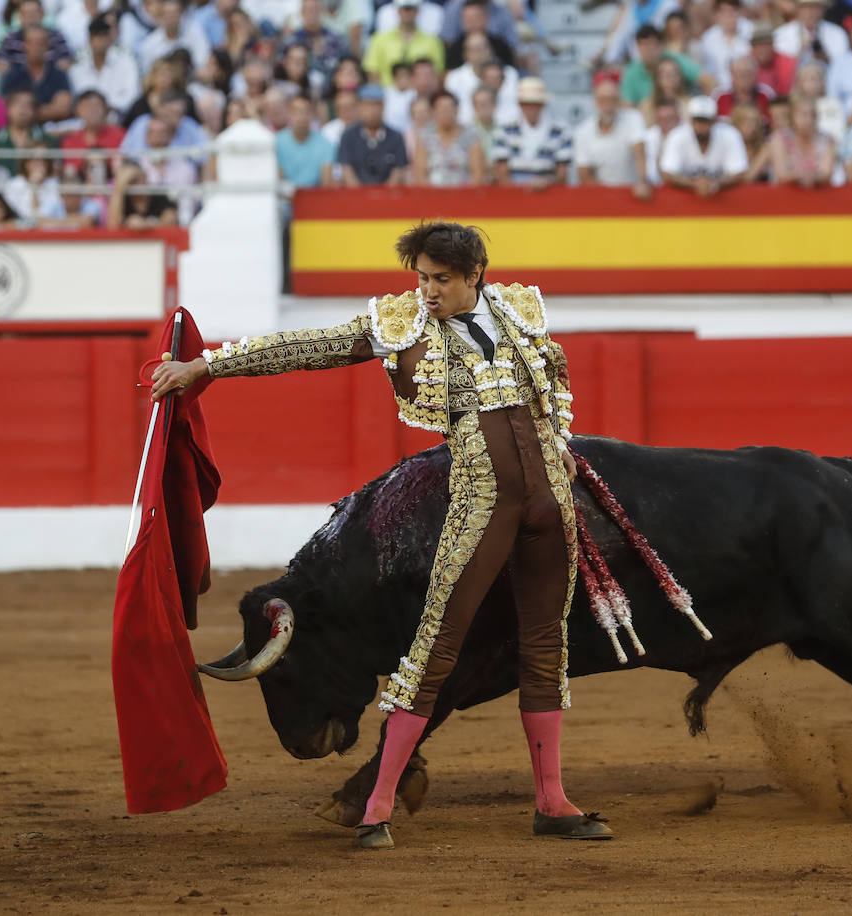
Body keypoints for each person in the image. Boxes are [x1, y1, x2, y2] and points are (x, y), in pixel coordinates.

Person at [149, 221, 607, 851]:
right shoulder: (403, 324)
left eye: (440, 279)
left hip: (550, 504)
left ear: (474, 275)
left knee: (546, 647)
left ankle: (552, 802)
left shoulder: (521, 311)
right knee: (434, 648)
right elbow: (309, 345)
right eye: (419, 277)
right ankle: (378, 804)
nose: (426, 291)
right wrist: (208, 365)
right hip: (480, 503)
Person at [573, 72, 650, 195]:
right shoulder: (583, 131)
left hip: (633, 190)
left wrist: (642, 180)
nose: (608, 106)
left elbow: (639, 151)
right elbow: (584, 173)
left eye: (612, 100)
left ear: (619, 100)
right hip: (601, 196)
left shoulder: (633, 117)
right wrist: (607, 197)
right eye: (603, 100)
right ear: (595, 101)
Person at [658, 94, 748, 195]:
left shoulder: (730, 134)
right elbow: (667, 173)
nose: (700, 126)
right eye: (697, 121)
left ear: (714, 121)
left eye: (705, 121)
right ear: (691, 121)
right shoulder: (677, 136)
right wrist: (695, 184)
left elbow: (739, 172)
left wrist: (716, 184)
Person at [491, 76, 572, 187]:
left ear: (542, 104)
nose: (531, 108)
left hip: (549, 196)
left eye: (535, 104)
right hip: (514, 197)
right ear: (520, 104)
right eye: (526, 103)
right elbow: (501, 171)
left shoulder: (561, 131)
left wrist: (547, 181)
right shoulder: (504, 130)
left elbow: (562, 173)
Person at [336, 83, 408, 185]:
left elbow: (398, 172)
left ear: (383, 107)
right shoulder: (348, 136)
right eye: (368, 105)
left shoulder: (396, 137)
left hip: (388, 197)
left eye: (377, 105)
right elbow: (347, 172)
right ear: (360, 107)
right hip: (356, 197)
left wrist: (382, 197)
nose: (373, 111)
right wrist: (362, 198)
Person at [69, 16, 141, 117]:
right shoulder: (77, 69)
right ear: (90, 39)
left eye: (104, 35)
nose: (100, 40)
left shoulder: (127, 63)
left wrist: (105, 108)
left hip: (120, 119)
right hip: (86, 122)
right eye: (96, 36)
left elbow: (133, 96)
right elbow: (75, 101)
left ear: (110, 39)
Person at [621, 24, 708, 108]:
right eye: (642, 45)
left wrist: (705, 107)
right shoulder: (631, 72)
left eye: (650, 45)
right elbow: (628, 106)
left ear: (660, 45)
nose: (647, 50)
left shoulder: (676, 60)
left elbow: (707, 80)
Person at [363, 0, 446, 87]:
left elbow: (438, 73)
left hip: (420, 94)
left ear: (417, 11)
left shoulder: (433, 41)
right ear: (398, 11)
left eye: (411, 9)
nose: (407, 13)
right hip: (386, 92)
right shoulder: (379, 39)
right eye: (404, 9)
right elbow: (372, 72)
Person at [0, 26, 74, 123]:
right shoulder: (13, 75)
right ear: (25, 45)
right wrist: (50, 110)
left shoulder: (58, 75)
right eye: (32, 42)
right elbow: (6, 109)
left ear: (47, 45)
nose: (36, 47)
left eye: (41, 43)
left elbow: (63, 109)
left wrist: (26, 111)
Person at [413, 89, 483, 184]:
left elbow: (477, 174)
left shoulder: (471, 135)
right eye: (442, 110)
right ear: (434, 111)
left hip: (465, 193)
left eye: (450, 109)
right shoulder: (424, 136)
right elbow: (420, 175)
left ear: (456, 110)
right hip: (432, 195)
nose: (446, 113)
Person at [765, 96, 837, 186]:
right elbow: (780, 175)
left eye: (812, 115)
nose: (809, 120)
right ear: (792, 117)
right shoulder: (779, 139)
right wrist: (799, 176)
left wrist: (812, 177)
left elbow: (827, 173)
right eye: (803, 115)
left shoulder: (827, 140)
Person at [277, 93, 336, 188]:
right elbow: (278, 180)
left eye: (306, 111)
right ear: (289, 113)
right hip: (284, 200)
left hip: (315, 198)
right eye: (296, 111)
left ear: (313, 114)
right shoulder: (276, 142)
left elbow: (326, 184)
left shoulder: (325, 144)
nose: (301, 116)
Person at [772, 0, 850, 70]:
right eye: (805, 7)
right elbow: (780, 69)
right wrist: (800, 51)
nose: (810, 12)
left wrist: (825, 58)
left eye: (815, 8)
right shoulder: (781, 34)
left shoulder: (837, 33)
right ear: (798, 9)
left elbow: (844, 68)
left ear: (823, 10)